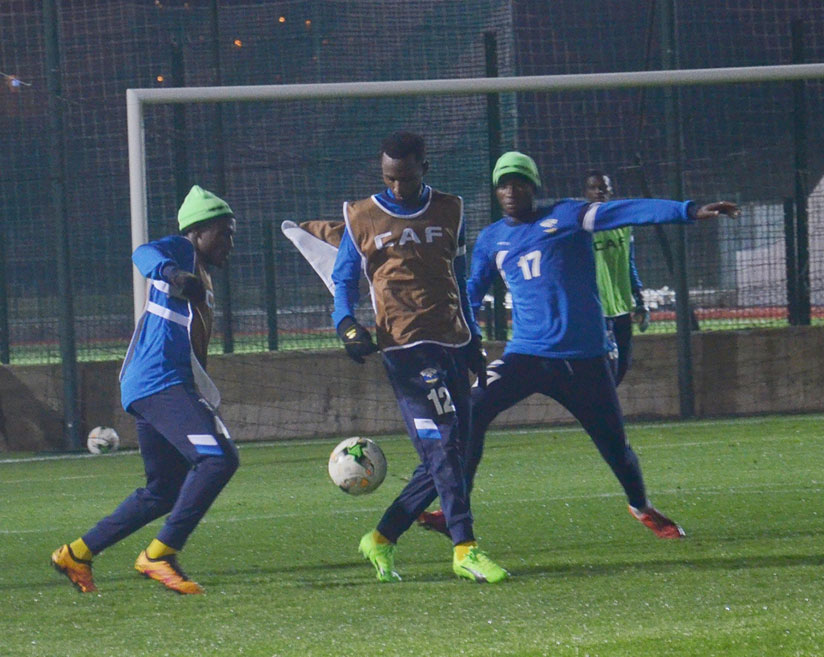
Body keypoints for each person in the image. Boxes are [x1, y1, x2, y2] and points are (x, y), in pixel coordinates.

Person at [418, 151, 738, 540]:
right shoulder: (491, 239)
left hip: (584, 361)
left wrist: (688, 211)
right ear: (496, 190)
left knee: (615, 447)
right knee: (471, 411)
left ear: (533, 186)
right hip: (525, 355)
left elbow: (629, 211)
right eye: (504, 183)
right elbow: (471, 293)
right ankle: (456, 509)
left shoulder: (570, 216)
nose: (511, 190)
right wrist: (461, 334)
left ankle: (641, 506)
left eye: (519, 182)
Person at [331, 130, 507, 583]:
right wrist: (346, 324)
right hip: (405, 349)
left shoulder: (450, 210)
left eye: (405, 179)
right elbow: (344, 280)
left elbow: (459, 278)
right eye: (389, 178)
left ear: (423, 170)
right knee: (446, 442)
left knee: (454, 453)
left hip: (451, 340)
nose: (396, 187)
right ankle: (465, 548)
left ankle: (382, 537)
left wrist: (472, 341)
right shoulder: (361, 215)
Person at [51, 185, 239, 594]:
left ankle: (77, 554)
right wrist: (174, 274)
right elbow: (143, 252)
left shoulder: (200, 272)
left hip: (155, 383)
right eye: (224, 232)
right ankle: (160, 555)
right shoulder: (182, 252)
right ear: (198, 231)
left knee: (163, 491)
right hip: (159, 381)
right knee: (217, 459)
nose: (229, 242)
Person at [585, 170, 649, 385]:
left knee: (623, 365)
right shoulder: (583, 227)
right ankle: (601, 414)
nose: (598, 192)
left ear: (610, 191)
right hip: (596, 309)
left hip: (622, 306)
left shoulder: (624, 223)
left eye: (602, 187)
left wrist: (639, 298)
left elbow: (629, 262)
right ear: (587, 193)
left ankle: (600, 412)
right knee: (606, 367)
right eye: (593, 188)